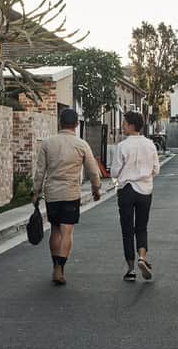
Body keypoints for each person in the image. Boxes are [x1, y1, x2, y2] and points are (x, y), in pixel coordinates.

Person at [32, 108, 102, 286]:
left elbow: (40, 171)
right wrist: (96, 189)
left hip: (52, 193)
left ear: (59, 122)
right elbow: (93, 171)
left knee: (55, 229)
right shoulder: (81, 144)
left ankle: (55, 265)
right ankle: (61, 268)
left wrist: (35, 192)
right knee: (67, 231)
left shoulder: (48, 143)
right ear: (76, 124)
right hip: (70, 193)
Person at [111, 111, 159, 282]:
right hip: (145, 190)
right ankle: (142, 258)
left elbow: (115, 171)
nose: (122, 126)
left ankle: (131, 269)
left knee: (127, 229)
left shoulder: (122, 146)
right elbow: (156, 169)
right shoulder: (150, 144)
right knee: (141, 226)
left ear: (131, 126)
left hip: (126, 190)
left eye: (124, 123)